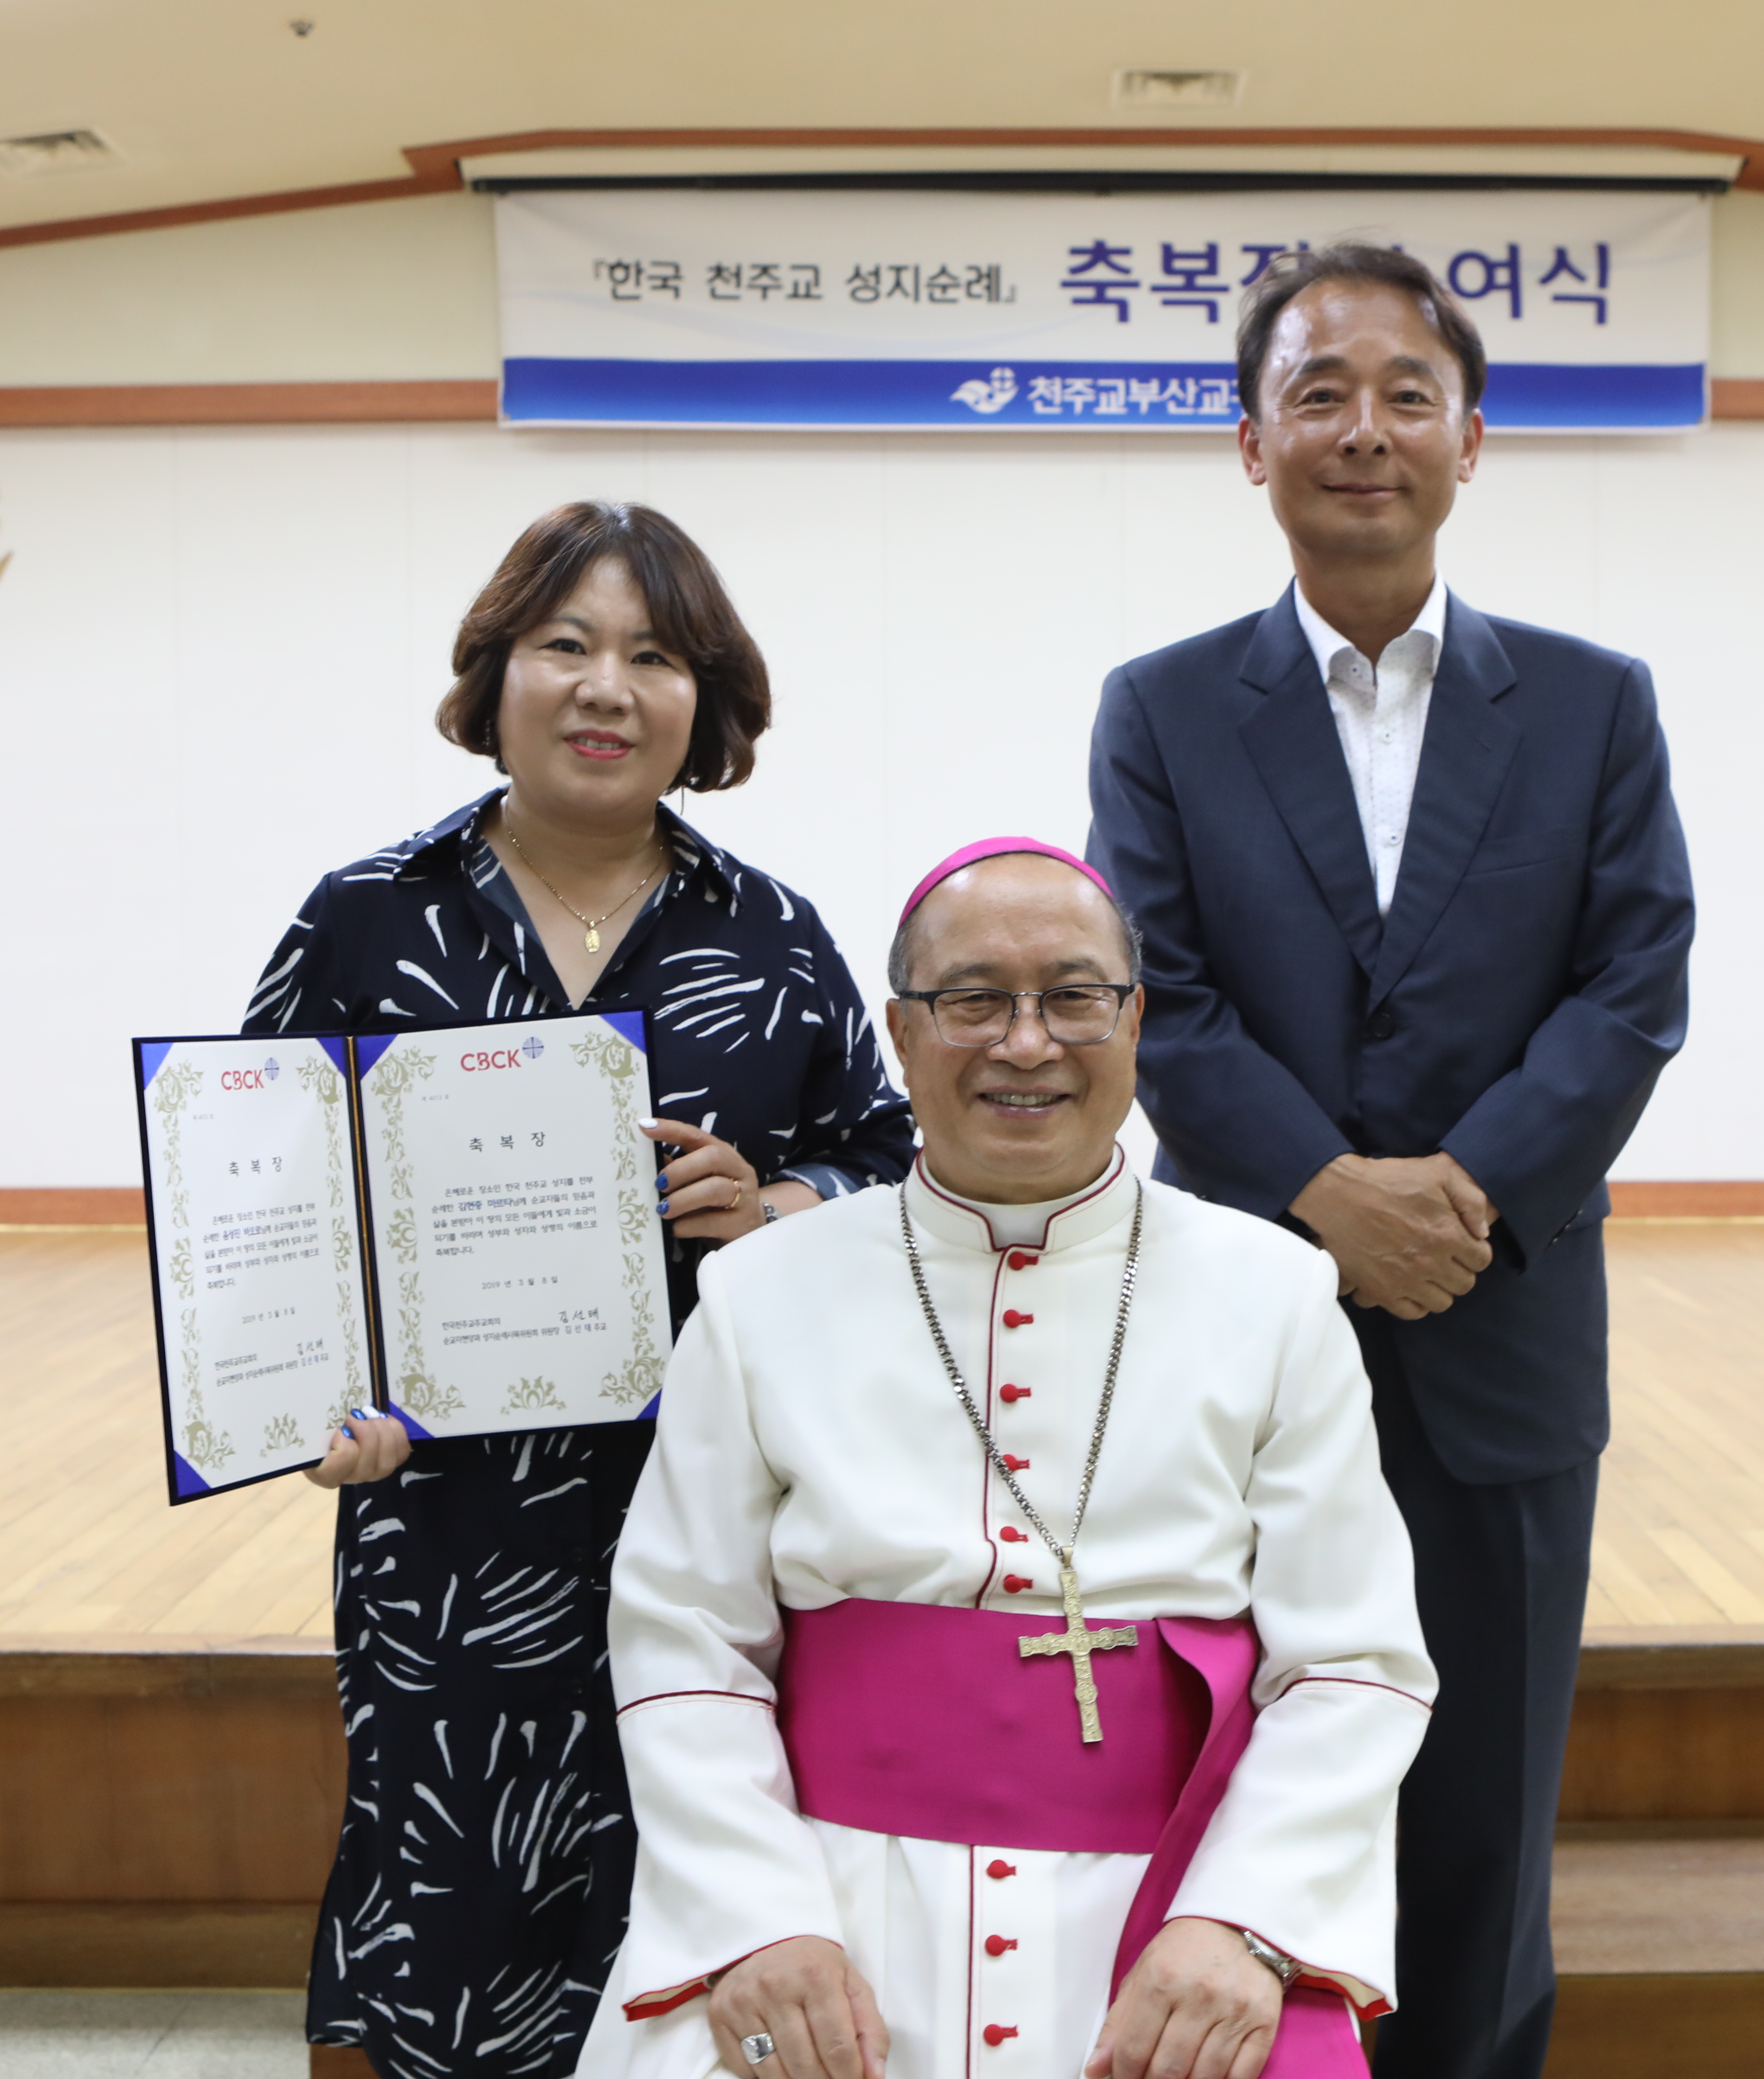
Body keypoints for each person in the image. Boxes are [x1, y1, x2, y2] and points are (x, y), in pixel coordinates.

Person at [1084, 246, 1696, 2079]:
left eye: (1405, 393)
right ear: (1248, 441)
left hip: (1501, 1329)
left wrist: (1465, 1197)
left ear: (1473, 439)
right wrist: (1325, 1201)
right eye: (1320, 392)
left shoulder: (1594, 703)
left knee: (1491, 1807)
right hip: (1243, 1328)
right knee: (1236, 1771)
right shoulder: (1165, 706)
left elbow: (1631, 985)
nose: (1365, 429)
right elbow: (1158, 998)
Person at [577, 839, 1436, 2079]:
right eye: (973, 999)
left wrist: (1242, 1920)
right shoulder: (761, 1291)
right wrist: (758, 1918)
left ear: (1135, 1019)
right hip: (828, 1892)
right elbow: (682, 1637)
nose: (1026, 1044)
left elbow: (1353, 1663)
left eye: (1074, 998)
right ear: (903, 1033)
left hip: (1174, 1905)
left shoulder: (1280, 1294)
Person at [243, 501, 917, 2079]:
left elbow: (888, 1157)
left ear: (708, 702)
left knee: (699, 1866)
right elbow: (261, 1207)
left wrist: (781, 1203)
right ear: (497, 676)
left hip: (717, 1501)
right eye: (567, 646)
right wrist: (308, 1409)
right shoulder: (369, 917)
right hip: (449, 1524)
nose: (606, 687)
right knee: (460, 1883)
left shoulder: (772, 936)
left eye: (653, 655)